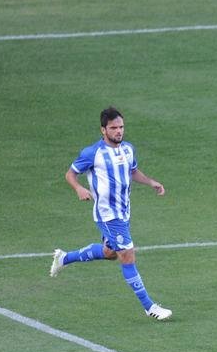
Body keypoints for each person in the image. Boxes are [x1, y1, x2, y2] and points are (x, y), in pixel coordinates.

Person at [49, 106, 172, 320]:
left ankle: (65, 258)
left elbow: (132, 171)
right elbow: (70, 174)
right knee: (127, 254)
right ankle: (149, 307)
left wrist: (151, 182)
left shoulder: (128, 149)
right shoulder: (92, 153)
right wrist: (78, 188)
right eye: (113, 128)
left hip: (124, 211)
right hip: (108, 215)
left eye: (121, 127)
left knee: (110, 253)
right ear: (103, 130)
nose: (119, 131)